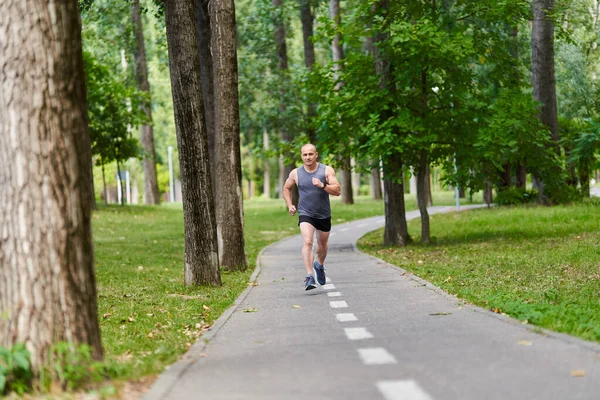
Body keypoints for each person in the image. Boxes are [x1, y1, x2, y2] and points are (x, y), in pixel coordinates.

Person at [283, 144, 341, 290]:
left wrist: (323, 186)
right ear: (301, 156)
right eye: (305, 155)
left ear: (316, 155)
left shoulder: (326, 170)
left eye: (310, 154)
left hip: (323, 214)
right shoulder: (295, 173)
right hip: (305, 213)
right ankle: (309, 276)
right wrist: (290, 205)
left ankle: (319, 266)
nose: (308, 157)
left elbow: (337, 191)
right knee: (307, 241)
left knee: (322, 246)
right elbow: (286, 188)